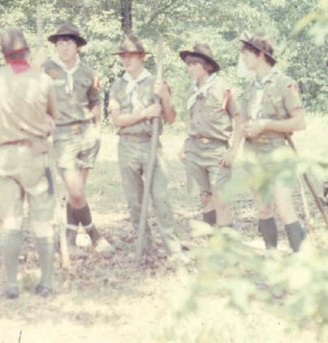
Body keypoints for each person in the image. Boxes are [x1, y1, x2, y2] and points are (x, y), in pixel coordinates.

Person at [0, 28, 58, 299]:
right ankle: (45, 282)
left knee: (11, 221)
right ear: (27, 52)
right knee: (43, 221)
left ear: (3, 55)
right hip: (34, 154)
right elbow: (53, 117)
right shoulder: (43, 80)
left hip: (2, 156)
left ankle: (11, 283)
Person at [43, 23, 113, 255]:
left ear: (77, 46)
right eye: (60, 43)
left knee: (77, 191)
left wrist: (97, 129)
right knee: (75, 191)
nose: (63, 47)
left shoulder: (88, 73)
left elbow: (95, 101)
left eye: (68, 42)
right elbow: (34, 97)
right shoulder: (46, 70)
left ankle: (70, 239)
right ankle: (95, 236)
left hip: (87, 135)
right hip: (61, 136)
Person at [107, 35, 178, 256]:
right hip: (127, 145)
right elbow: (117, 120)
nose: (126, 60)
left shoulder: (155, 83)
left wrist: (164, 98)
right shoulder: (117, 86)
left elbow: (171, 118)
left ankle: (172, 247)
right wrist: (144, 114)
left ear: (142, 57)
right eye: (123, 56)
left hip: (151, 144)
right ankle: (143, 246)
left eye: (131, 55)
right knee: (134, 200)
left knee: (160, 198)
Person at [239, 34, 307, 252]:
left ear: (261, 55)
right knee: (263, 208)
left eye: (247, 53)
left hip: (276, 153)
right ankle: (271, 255)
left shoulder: (284, 83)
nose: (243, 57)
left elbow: (299, 122)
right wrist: (245, 129)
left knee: (284, 208)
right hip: (253, 153)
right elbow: (243, 120)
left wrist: (266, 124)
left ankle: (301, 258)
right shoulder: (250, 88)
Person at [179, 44, 241, 228]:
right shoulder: (192, 90)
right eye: (188, 64)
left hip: (216, 150)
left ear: (207, 66)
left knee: (221, 199)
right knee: (206, 198)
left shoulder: (223, 88)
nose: (190, 68)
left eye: (194, 64)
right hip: (195, 149)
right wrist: (184, 148)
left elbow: (239, 119)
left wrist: (233, 150)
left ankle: (226, 242)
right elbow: (194, 122)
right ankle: (212, 240)